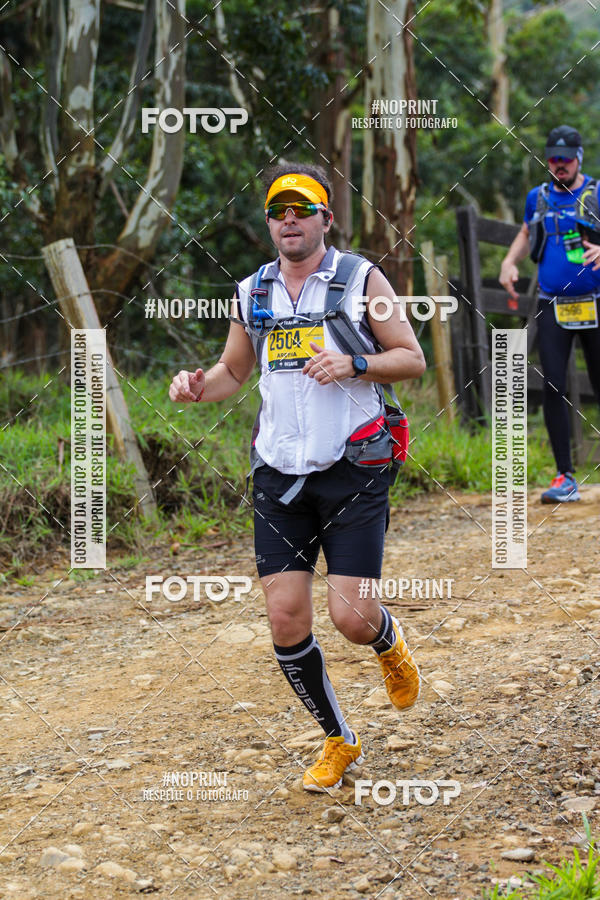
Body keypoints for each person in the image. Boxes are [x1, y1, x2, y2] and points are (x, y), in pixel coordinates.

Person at [169, 163, 425, 792]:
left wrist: (355, 363)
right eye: (279, 210)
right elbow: (233, 371)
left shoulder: (363, 278)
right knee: (286, 620)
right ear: (269, 222)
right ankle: (339, 738)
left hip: (353, 469)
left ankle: (387, 643)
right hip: (278, 477)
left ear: (325, 219)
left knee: (352, 619)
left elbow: (411, 358)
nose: (290, 220)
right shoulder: (251, 292)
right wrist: (198, 387)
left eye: (301, 209)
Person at [499, 125, 600, 503]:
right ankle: (565, 477)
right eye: (553, 159)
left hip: (595, 300)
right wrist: (510, 261)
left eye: (566, 159)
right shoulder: (537, 198)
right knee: (553, 385)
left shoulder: (597, 192)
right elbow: (527, 232)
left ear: (579, 159)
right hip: (552, 302)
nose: (559, 165)